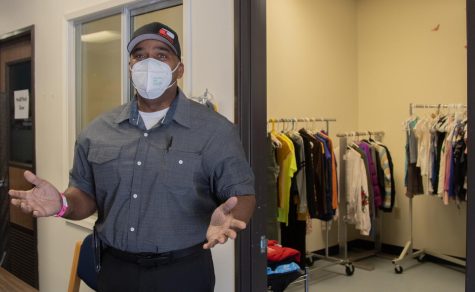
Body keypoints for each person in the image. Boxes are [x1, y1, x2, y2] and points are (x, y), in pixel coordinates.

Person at [8, 22, 256, 292]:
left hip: (183, 273)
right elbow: (86, 196)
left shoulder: (215, 130)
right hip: (115, 270)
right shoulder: (97, 131)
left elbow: (242, 195)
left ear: (179, 68)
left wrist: (233, 216)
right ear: (130, 67)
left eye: (161, 55)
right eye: (139, 55)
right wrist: (63, 204)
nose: (149, 63)